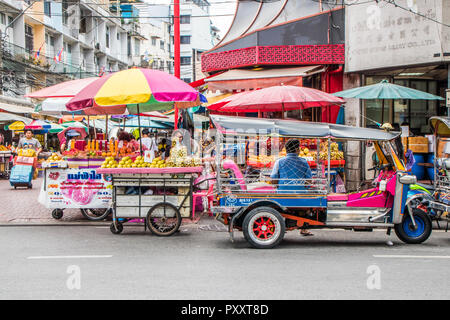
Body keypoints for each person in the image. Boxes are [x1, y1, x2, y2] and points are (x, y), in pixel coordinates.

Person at [270, 139, 313, 236]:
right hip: (301, 198)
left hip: (282, 197)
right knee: (309, 201)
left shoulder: (279, 162)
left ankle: (281, 226)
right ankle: (304, 229)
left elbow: (273, 180)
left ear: (286, 150)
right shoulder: (304, 162)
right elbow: (309, 182)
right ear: (297, 149)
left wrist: (281, 186)